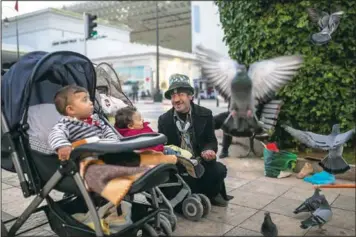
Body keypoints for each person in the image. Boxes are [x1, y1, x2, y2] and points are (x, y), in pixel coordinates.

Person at [48, 85, 177, 206]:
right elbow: (55, 134)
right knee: (96, 172)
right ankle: (130, 176)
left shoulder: (96, 120)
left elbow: (108, 131)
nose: (91, 102)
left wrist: (112, 142)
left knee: (132, 155)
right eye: (85, 100)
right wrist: (63, 145)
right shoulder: (65, 124)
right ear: (71, 109)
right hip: (89, 159)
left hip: (106, 152)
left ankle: (159, 160)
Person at [158, 74, 233, 207]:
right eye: (173, 96)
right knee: (165, 183)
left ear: (190, 96)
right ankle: (193, 194)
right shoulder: (164, 120)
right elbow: (162, 146)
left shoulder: (205, 114)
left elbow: (211, 140)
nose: (176, 99)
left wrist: (208, 150)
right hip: (178, 166)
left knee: (219, 170)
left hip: (200, 163)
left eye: (180, 94)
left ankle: (206, 194)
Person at [114, 106, 204, 178]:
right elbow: (147, 148)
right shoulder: (135, 136)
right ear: (130, 125)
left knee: (173, 148)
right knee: (174, 151)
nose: (143, 120)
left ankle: (189, 159)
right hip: (156, 153)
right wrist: (160, 145)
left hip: (156, 151)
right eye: (139, 119)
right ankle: (191, 161)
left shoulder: (132, 132)